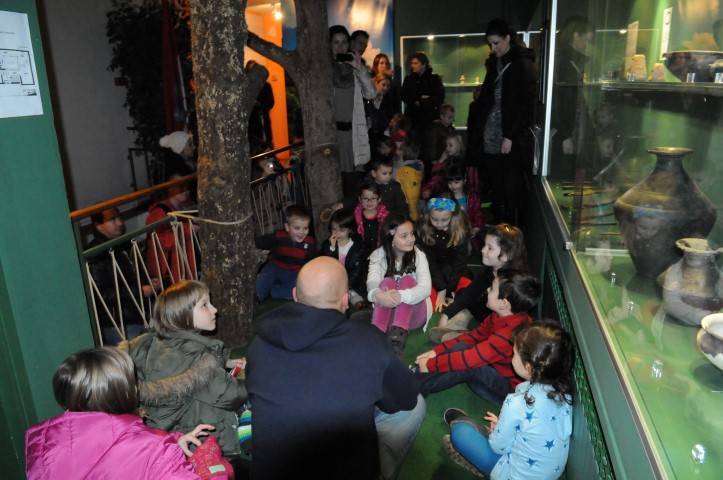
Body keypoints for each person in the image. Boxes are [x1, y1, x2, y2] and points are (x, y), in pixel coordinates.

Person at [247, 257, 425, 480]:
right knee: (416, 406)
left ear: (294, 295)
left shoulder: (260, 344)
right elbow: (406, 399)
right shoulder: (369, 341)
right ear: (345, 300)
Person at [25, 347, 229, 479]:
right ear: (123, 393)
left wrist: (171, 445)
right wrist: (213, 467)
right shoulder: (154, 451)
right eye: (132, 382)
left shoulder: (44, 447)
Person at [125, 280, 248, 458]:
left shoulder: (158, 343)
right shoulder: (194, 355)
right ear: (182, 314)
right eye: (204, 305)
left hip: (168, 434)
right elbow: (231, 395)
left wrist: (226, 363)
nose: (214, 310)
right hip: (199, 442)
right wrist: (252, 375)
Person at [442, 322, 574, 479]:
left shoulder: (515, 404)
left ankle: (483, 468)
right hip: (545, 474)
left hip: (511, 474)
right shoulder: (564, 394)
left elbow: (498, 447)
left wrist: (496, 431)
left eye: (515, 353)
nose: (512, 355)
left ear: (528, 367)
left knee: (460, 433)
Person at [415, 270, 541, 405]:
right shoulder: (500, 315)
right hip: (494, 369)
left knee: (470, 365)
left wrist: (430, 365)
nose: (487, 290)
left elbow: (469, 360)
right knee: (463, 347)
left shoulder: (508, 335)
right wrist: (436, 352)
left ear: (503, 303)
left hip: (510, 393)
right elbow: (474, 336)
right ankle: (419, 375)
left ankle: (416, 389)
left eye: (492, 289)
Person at [466, 18, 536, 225]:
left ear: (508, 38)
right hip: (491, 134)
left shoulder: (522, 64)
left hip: (509, 137)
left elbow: (525, 105)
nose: (493, 48)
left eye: (496, 43)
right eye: (490, 44)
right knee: (496, 186)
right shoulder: (495, 64)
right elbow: (488, 100)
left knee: (511, 188)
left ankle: (510, 231)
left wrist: (510, 135)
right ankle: (499, 228)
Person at [430, 223, 528, 343]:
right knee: (465, 293)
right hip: (484, 312)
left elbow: (505, 324)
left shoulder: (512, 284)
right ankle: (464, 319)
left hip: (495, 325)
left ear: (505, 256)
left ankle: (464, 335)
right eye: (484, 245)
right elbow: (470, 293)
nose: (483, 250)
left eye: (490, 248)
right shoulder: (491, 270)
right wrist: (446, 315)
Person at [87, 207, 156, 344]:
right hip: (119, 323)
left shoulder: (122, 243)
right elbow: (100, 295)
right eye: (112, 220)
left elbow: (132, 273)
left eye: (119, 218)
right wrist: (139, 291)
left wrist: (148, 283)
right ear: (98, 225)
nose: (119, 223)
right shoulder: (95, 254)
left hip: (137, 315)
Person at [367, 214, 432, 355]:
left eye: (412, 234)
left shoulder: (418, 255)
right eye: (404, 236)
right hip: (388, 314)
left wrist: (400, 295)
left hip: (414, 316)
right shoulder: (378, 255)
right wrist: (378, 295)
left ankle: (397, 337)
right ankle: (377, 332)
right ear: (391, 238)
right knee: (387, 282)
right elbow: (372, 281)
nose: (411, 239)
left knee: (407, 281)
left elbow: (426, 288)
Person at [329, 25, 376, 195]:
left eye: (344, 42)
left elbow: (371, 94)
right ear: (329, 44)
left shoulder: (355, 68)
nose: (340, 46)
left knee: (351, 182)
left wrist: (359, 68)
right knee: (333, 179)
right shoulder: (324, 69)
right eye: (336, 42)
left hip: (352, 133)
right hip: (331, 133)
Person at [551, 16, 595, 179]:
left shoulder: (567, 60)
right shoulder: (564, 62)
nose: (587, 45)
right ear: (576, 36)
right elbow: (557, 101)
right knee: (564, 174)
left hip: (568, 130)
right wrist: (565, 135)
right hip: (566, 131)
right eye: (586, 40)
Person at [417, 198, 472, 314]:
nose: (439, 224)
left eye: (444, 220)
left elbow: (459, 264)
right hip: (434, 274)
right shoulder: (425, 231)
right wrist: (441, 289)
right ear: (428, 215)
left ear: (453, 216)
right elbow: (430, 263)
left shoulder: (460, 232)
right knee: (427, 300)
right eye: (434, 219)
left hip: (456, 274)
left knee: (468, 292)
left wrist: (450, 289)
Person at [255, 204, 315, 301]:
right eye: (297, 228)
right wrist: (253, 243)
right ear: (287, 227)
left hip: (294, 272)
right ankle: (259, 294)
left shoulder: (309, 243)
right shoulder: (279, 236)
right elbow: (262, 242)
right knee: (266, 275)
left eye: (305, 228)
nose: (302, 232)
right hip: (275, 267)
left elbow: (312, 262)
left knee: (300, 290)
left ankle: (273, 292)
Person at [146, 176, 196, 286]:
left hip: (185, 265)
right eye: (180, 186)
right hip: (171, 271)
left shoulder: (187, 206)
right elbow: (160, 242)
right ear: (169, 188)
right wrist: (189, 229)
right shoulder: (158, 212)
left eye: (186, 186)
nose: (185, 190)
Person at [320, 208, 367, 308]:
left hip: (350, 280)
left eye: (341, 230)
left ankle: (351, 296)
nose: (336, 233)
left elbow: (357, 271)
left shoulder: (357, 247)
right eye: (334, 229)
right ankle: (340, 298)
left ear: (350, 229)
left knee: (354, 292)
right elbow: (327, 264)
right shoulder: (327, 245)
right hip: (334, 279)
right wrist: (332, 248)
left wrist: (347, 284)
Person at [401, 51, 445, 137]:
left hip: (429, 121)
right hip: (412, 121)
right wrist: (418, 99)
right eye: (411, 63)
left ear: (424, 64)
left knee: (429, 143)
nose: (412, 65)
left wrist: (422, 101)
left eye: (415, 63)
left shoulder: (434, 79)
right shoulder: (409, 79)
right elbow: (403, 95)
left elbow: (440, 97)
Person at [442, 164, 485, 238]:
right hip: (451, 233)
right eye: (450, 183)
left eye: (456, 182)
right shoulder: (446, 198)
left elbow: (478, 214)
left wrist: (476, 228)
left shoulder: (472, 197)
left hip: (468, 232)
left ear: (464, 180)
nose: (453, 186)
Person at [422, 133, 465, 200]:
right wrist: (441, 160)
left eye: (450, 145)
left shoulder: (462, 164)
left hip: (458, 197)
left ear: (458, 146)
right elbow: (436, 177)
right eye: (446, 145)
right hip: (445, 195)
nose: (447, 148)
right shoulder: (447, 161)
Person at [246, 60, 275, 153]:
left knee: (268, 148)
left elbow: (271, 102)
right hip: (251, 125)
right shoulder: (245, 87)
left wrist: (259, 105)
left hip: (263, 121)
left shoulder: (266, 86)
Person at [366, 73, 397, 157]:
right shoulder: (366, 98)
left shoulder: (387, 100)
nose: (386, 88)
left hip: (381, 137)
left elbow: (389, 117)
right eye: (383, 85)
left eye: (388, 86)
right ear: (376, 83)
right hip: (368, 137)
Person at [422, 104, 456, 176]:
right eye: (449, 117)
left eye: (453, 117)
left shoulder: (451, 129)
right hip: (437, 161)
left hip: (447, 161)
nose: (452, 120)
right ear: (442, 117)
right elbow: (431, 145)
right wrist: (433, 160)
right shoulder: (434, 129)